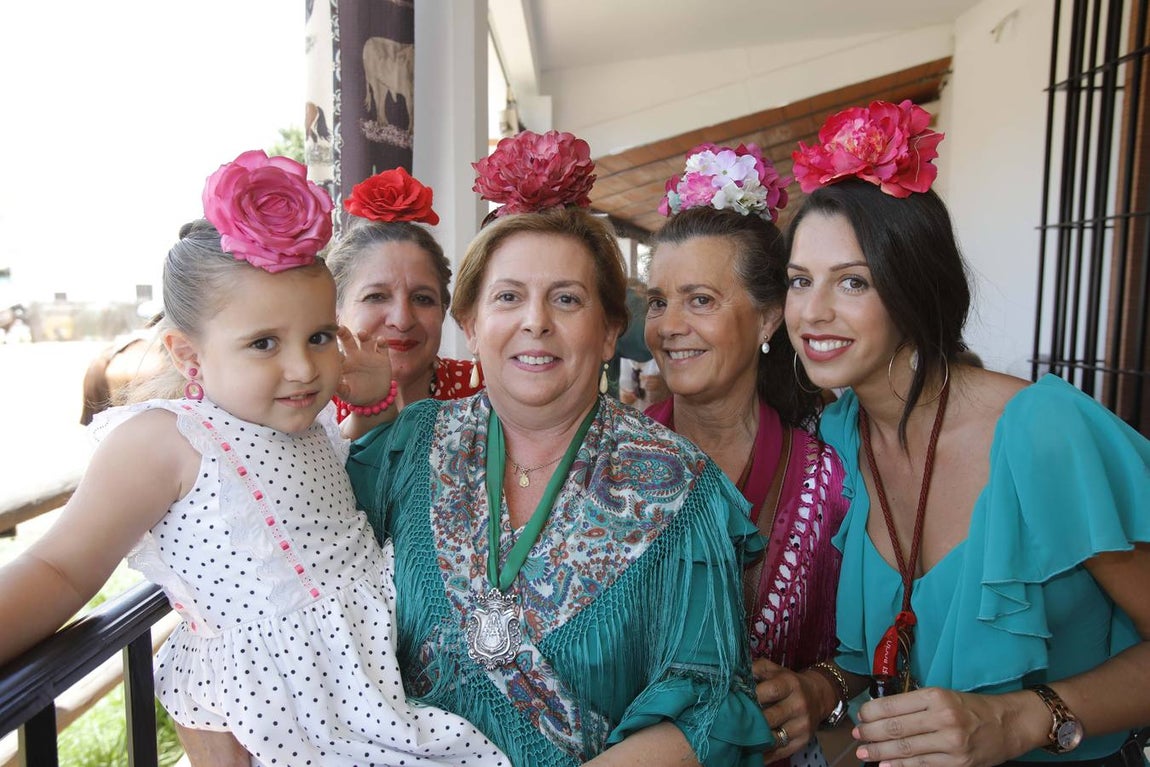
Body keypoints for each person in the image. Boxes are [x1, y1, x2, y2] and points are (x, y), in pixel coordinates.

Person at [0, 150, 508, 767]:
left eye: (319, 337)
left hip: (372, 694)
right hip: (285, 723)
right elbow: (60, 567)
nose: (301, 368)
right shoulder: (166, 440)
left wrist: (373, 400)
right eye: (263, 343)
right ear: (189, 357)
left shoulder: (307, 423)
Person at [347, 129, 774, 766]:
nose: (535, 322)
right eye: (508, 296)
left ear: (608, 333)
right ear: (471, 323)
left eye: (566, 299)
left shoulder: (681, 488)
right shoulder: (406, 449)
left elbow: (710, 706)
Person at [785, 100, 1150, 767]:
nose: (812, 311)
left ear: (915, 289)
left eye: (853, 282)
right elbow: (891, 651)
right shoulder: (836, 440)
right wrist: (820, 686)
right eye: (799, 281)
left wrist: (1019, 718)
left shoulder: (1044, 433)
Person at [646, 142, 851, 767]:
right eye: (658, 300)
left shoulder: (835, 478)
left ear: (767, 320)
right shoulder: (601, 463)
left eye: (700, 299)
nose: (669, 325)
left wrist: (821, 690)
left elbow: (880, 654)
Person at [327, 166, 482, 419]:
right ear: (334, 313)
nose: (402, 320)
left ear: (444, 311)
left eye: (422, 299)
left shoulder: (487, 393)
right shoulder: (312, 406)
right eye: (376, 296)